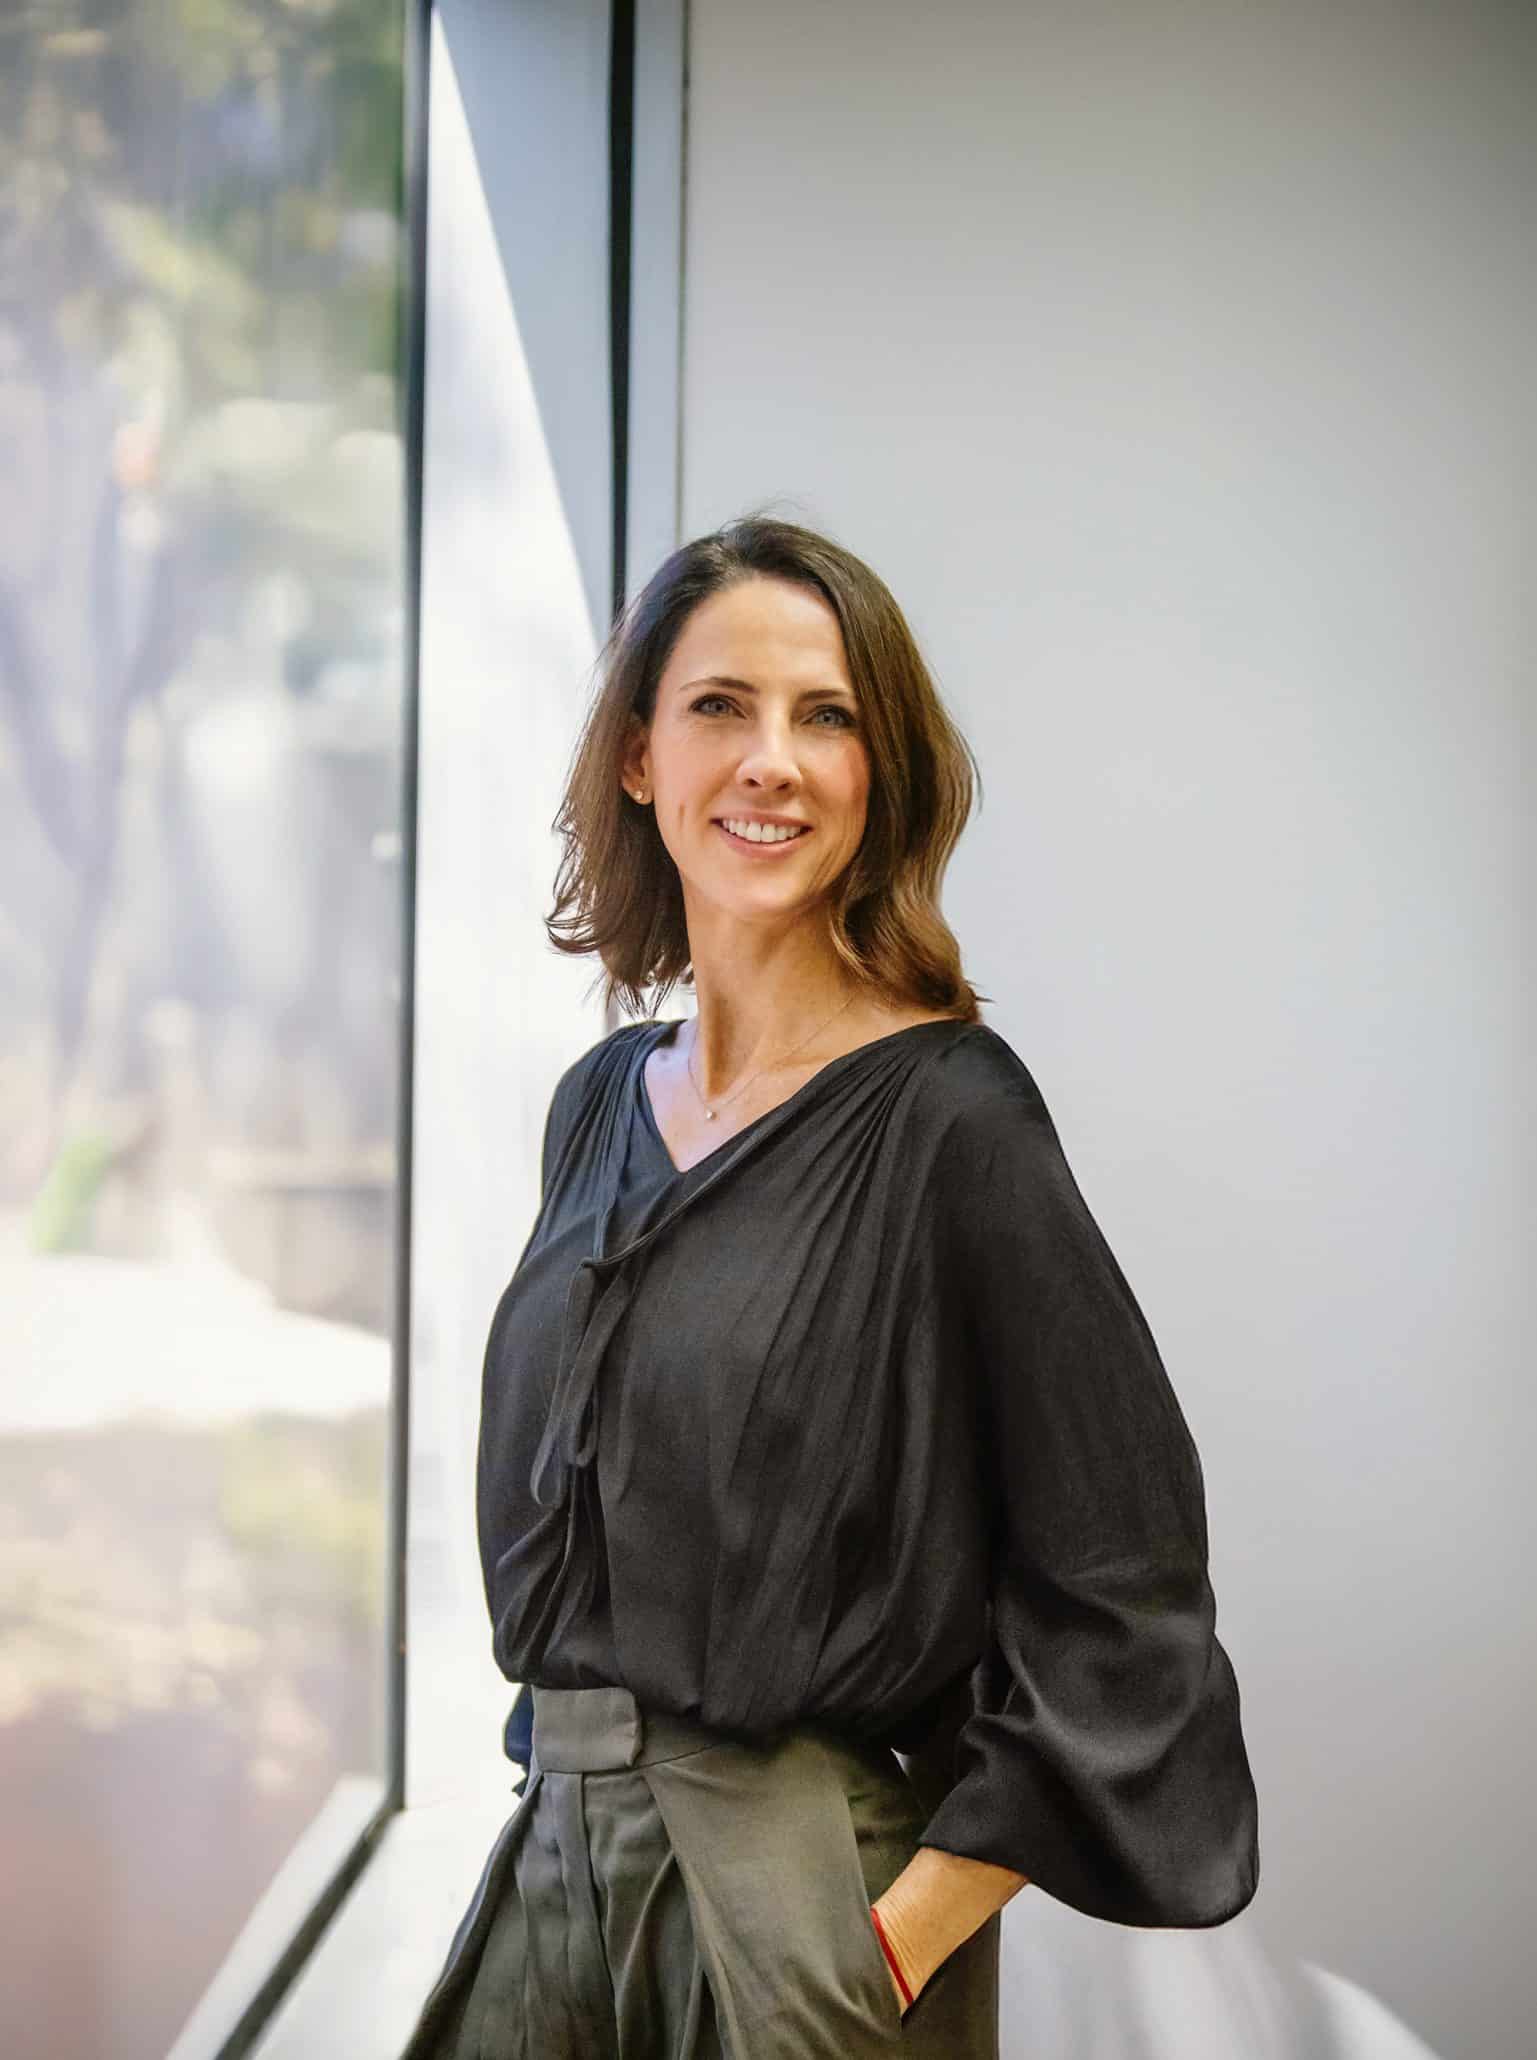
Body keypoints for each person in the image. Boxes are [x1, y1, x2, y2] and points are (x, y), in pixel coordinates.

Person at [401, 514, 1259, 2059]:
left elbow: (1126, 1593)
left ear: (881, 776)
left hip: (793, 1904)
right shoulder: (596, 1102)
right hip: (554, 1859)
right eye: (719, 706)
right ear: (640, 757)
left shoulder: (952, 1120)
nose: (771, 762)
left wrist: (889, 1944)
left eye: (827, 717)